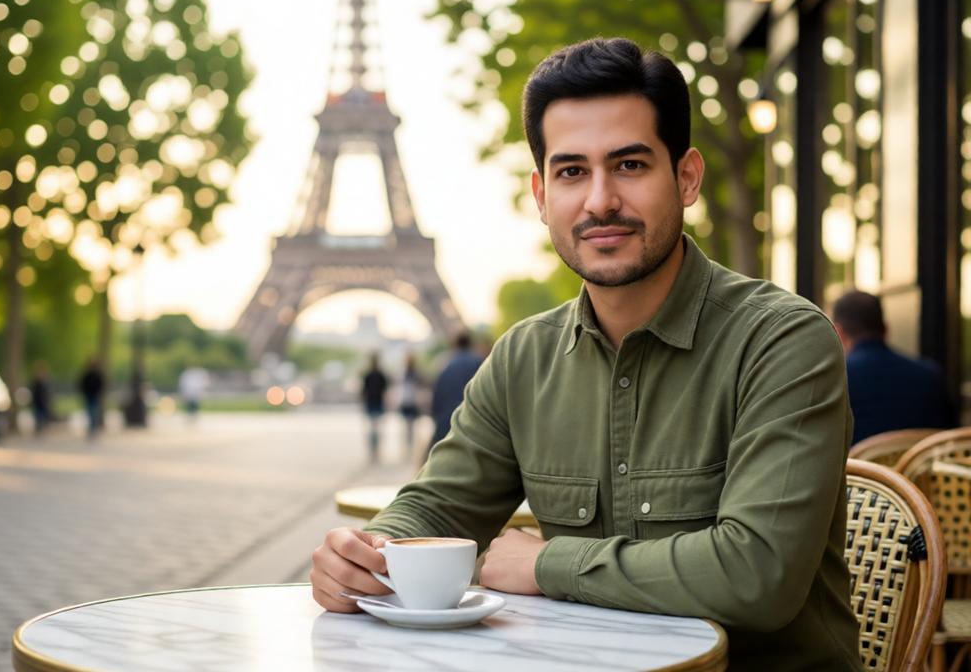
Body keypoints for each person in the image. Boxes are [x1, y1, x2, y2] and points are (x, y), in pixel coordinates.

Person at [311, 38, 860, 670]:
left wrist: (547, 563)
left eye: (629, 165)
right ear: (542, 195)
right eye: (573, 172)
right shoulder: (524, 358)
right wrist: (368, 549)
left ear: (686, 178)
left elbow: (757, 575)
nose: (600, 200)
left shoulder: (782, 342)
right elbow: (438, 504)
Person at [832, 290, 955, 444]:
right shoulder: (932, 375)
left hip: (858, 467)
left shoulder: (837, 379)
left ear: (838, 332)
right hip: (921, 467)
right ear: (885, 329)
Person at [426, 331, 483, 460]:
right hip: (471, 423)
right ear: (470, 343)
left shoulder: (445, 365)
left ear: (455, 345)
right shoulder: (479, 363)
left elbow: (437, 395)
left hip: (446, 421)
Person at [360, 353, 389, 463]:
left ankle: (374, 451)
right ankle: (375, 451)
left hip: (372, 404)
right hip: (377, 404)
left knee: (373, 430)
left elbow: (363, 392)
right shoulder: (380, 375)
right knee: (375, 430)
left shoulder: (368, 375)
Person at [397, 353, 424, 458]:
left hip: (407, 401)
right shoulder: (414, 373)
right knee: (411, 427)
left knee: (407, 427)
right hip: (412, 402)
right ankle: (410, 448)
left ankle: (409, 448)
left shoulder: (405, 373)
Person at [78, 357, 105, 438]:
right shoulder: (88, 374)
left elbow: (101, 385)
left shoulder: (97, 374)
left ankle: (93, 428)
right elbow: (82, 384)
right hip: (89, 396)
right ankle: (92, 428)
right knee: (90, 413)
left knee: (94, 413)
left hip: (94, 396)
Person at [30, 361, 53, 435]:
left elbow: (47, 393)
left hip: (43, 402)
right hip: (38, 402)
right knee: (38, 415)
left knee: (43, 415)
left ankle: (42, 427)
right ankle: (39, 428)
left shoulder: (45, 382)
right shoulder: (36, 382)